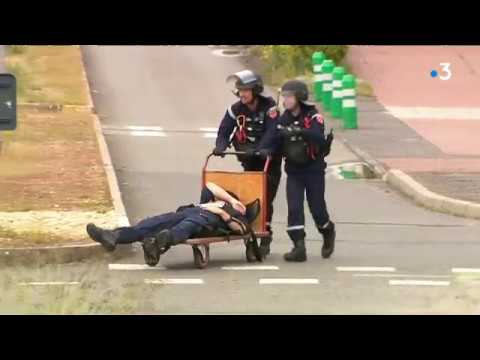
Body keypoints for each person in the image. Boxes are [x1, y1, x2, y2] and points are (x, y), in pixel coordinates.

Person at [86, 182, 260, 266]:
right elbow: (210, 186)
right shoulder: (213, 200)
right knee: (150, 224)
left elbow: (242, 229)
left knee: (187, 226)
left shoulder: (234, 213)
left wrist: (222, 211)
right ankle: (112, 236)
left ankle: (159, 242)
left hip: (208, 220)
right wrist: (228, 198)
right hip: (187, 212)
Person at [257, 79, 335, 262]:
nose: (285, 100)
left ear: (299, 97)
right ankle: (298, 247)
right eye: (284, 96)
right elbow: (273, 137)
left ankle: (328, 232)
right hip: (294, 172)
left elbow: (319, 138)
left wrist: (299, 132)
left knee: (317, 208)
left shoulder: (314, 116)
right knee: (294, 208)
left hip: (313, 170)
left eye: (289, 96)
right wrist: (264, 149)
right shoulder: (284, 118)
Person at [212, 69, 281, 257]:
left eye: (246, 90)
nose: (241, 93)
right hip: (249, 161)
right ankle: (251, 234)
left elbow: (272, 131)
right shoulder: (235, 109)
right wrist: (220, 146)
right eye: (239, 90)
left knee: (265, 198)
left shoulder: (270, 108)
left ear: (255, 90)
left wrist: (264, 148)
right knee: (250, 198)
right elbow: (225, 130)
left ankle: (266, 236)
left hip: (269, 162)